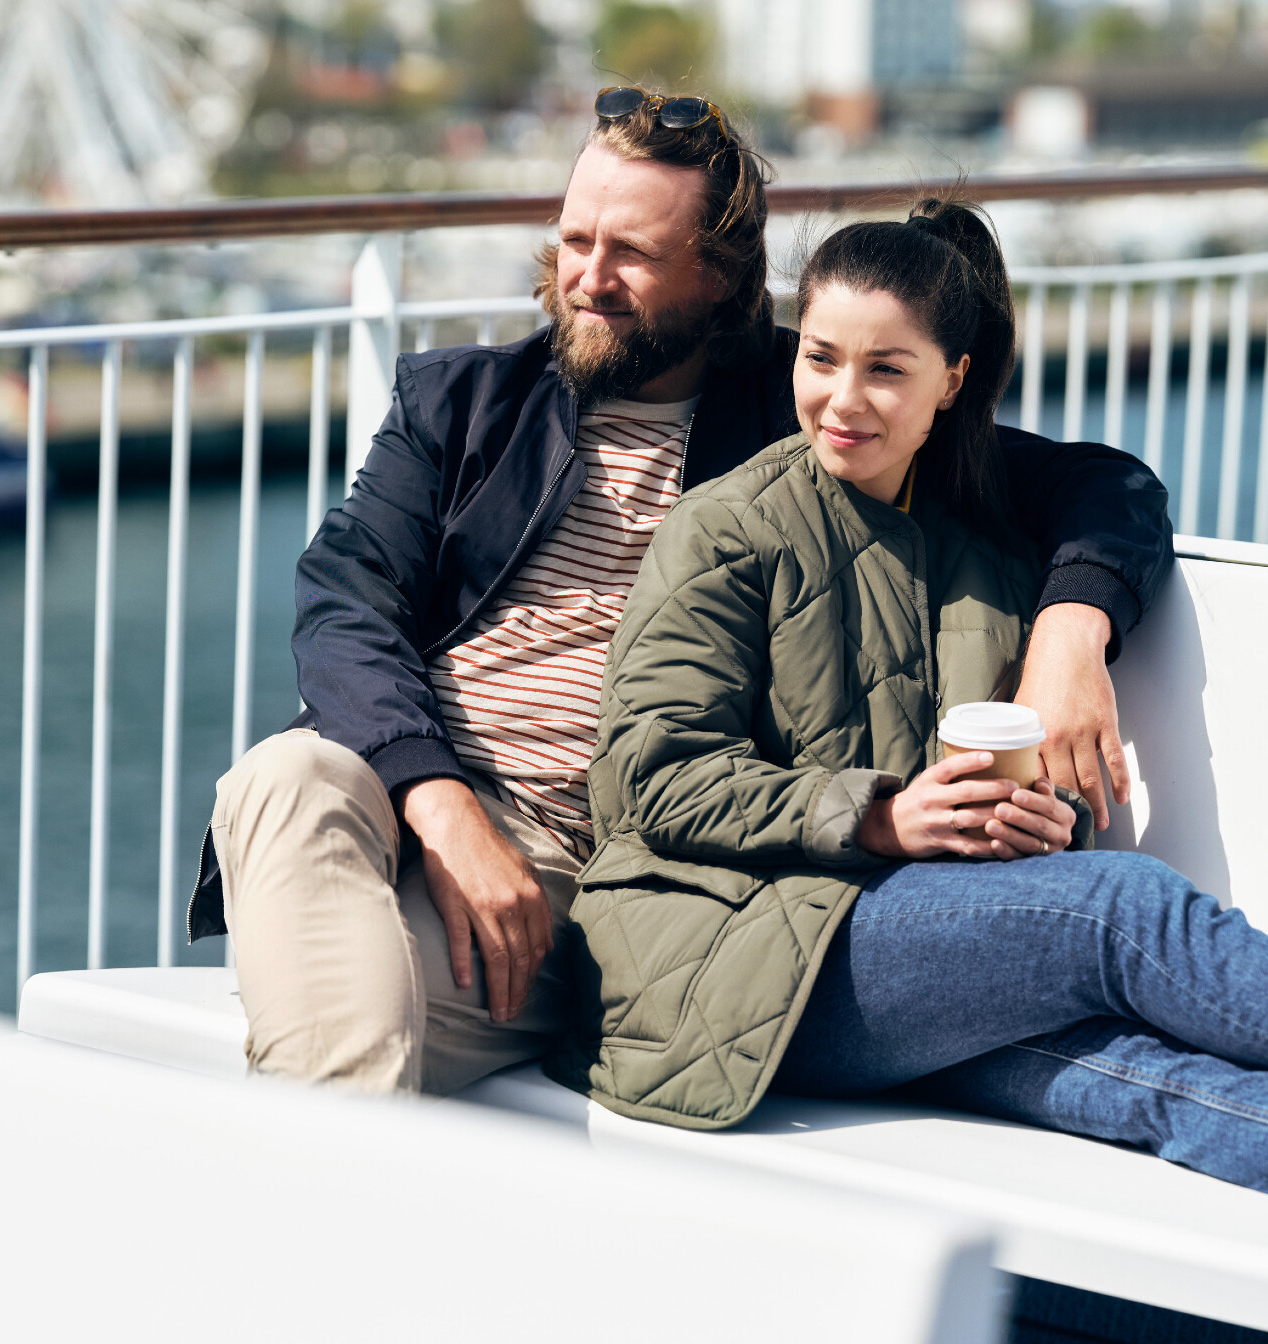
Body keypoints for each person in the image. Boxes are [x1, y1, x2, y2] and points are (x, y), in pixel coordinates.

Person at [548, 200, 1268, 1244]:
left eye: (887, 369)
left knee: (1130, 1079)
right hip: (710, 953)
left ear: (951, 383)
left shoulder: (992, 549)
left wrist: (1032, 811)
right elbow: (651, 776)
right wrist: (880, 817)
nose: (843, 399)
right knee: (1123, 911)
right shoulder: (727, 527)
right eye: (821, 357)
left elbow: (1115, 492)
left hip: (887, 950)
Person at [187, 89, 1176, 1098]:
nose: (589, 278)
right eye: (575, 240)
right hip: (400, 792)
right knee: (279, 776)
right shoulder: (460, 404)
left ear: (719, 277)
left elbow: (1108, 488)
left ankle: (306, 1200)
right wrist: (443, 809)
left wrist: (1069, 635)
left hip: (576, 861)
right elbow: (344, 605)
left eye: (632, 254)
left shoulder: (809, 409)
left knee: (352, 1036)